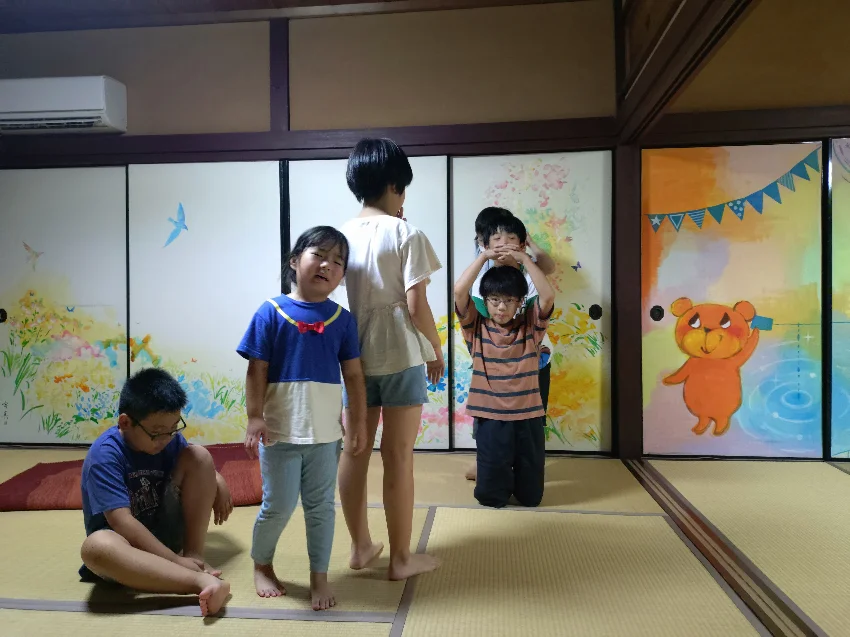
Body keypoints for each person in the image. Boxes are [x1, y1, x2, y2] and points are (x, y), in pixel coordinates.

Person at [239, 226, 367, 611]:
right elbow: (256, 370)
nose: (328, 265)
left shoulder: (343, 320)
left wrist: (357, 422)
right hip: (280, 432)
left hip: (326, 436)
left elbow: (354, 376)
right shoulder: (271, 311)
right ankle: (262, 564)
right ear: (295, 261)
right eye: (319, 255)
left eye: (338, 261)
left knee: (321, 507)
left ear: (343, 275)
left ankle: (319, 576)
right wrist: (254, 417)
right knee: (278, 505)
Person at [337, 138, 444, 581]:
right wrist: (435, 349)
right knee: (398, 455)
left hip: (355, 358)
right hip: (400, 354)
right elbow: (416, 306)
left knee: (354, 448)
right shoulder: (406, 233)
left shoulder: (341, 236)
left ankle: (360, 547)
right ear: (395, 185)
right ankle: (401, 558)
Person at [78, 367, 233, 617]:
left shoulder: (167, 439)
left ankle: (194, 558)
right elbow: (122, 522)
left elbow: (195, 464)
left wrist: (217, 478)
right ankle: (198, 581)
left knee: (199, 455)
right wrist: (174, 560)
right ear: (125, 423)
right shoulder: (104, 456)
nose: (167, 438)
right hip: (128, 550)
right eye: (158, 432)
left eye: (174, 428)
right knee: (96, 547)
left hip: (166, 535)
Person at [454, 244, 555, 508]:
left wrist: (523, 258)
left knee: (531, 498)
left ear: (520, 302)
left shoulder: (531, 327)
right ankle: (492, 480)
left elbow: (547, 297)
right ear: (485, 301)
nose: (501, 307)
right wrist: (484, 256)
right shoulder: (476, 328)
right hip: (491, 417)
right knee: (491, 497)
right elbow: (459, 291)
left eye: (509, 301)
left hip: (528, 415)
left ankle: (517, 484)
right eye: (495, 300)